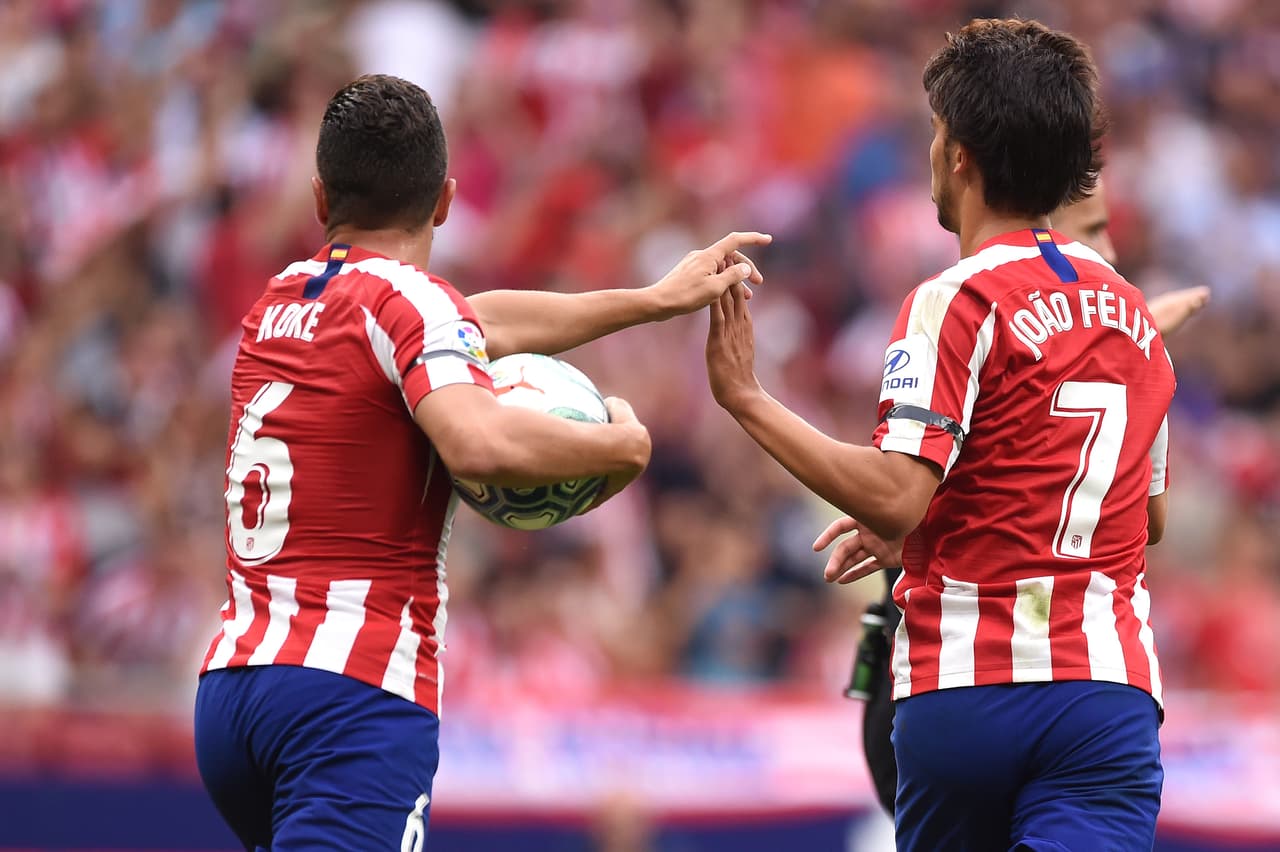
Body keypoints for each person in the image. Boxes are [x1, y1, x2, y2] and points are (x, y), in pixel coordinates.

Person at [193, 74, 769, 851]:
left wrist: (650, 299)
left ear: (322, 198)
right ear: (445, 201)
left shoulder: (281, 301)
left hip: (234, 690)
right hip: (349, 693)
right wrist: (623, 446)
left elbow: (476, 320)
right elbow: (479, 442)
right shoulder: (413, 307)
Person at [705, 19, 1173, 850]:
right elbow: (1141, 518)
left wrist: (746, 397)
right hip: (1105, 691)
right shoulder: (1136, 316)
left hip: (969, 684)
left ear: (959, 154)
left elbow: (896, 491)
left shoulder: (955, 299)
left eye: (934, 129)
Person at [852, 176, 1210, 818]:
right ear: (1041, 217)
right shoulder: (992, 317)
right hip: (1054, 681)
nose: (1111, 252)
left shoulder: (967, 312)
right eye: (1095, 230)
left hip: (960, 690)